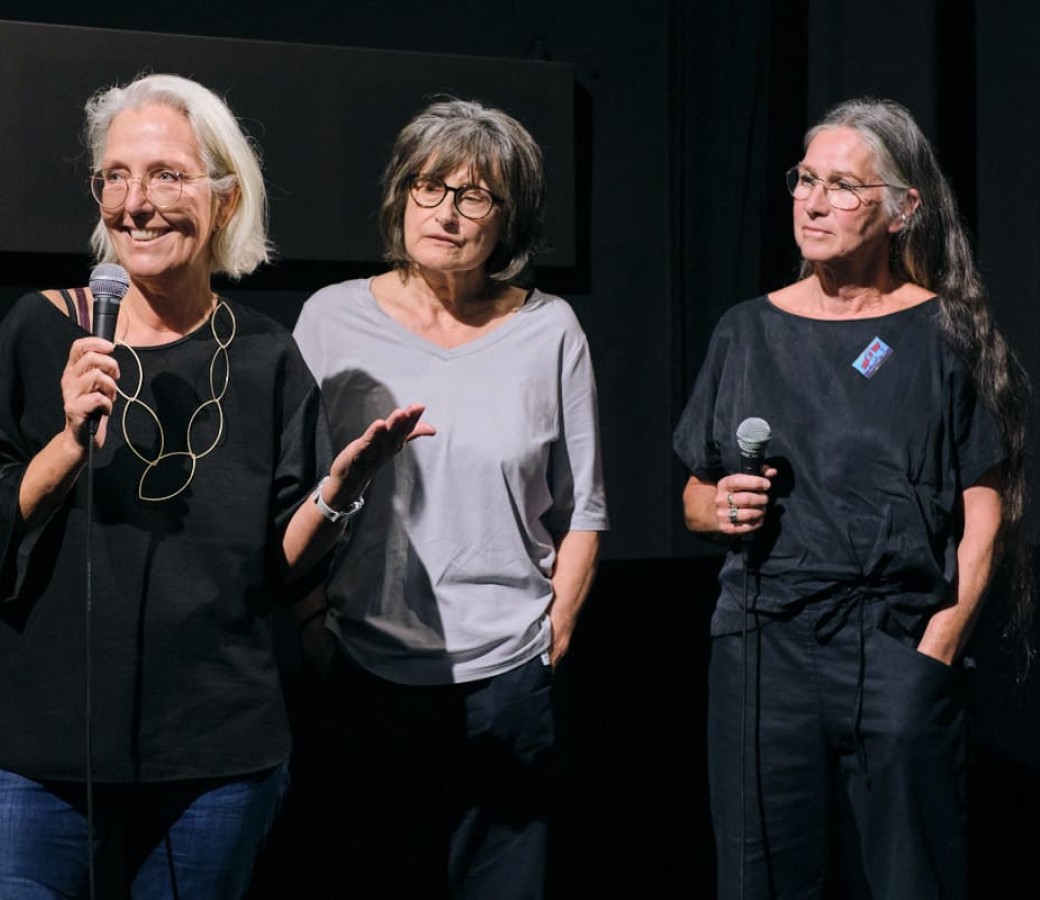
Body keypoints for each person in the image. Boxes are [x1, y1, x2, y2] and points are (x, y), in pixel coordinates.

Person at [0, 72, 432, 899]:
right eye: (115, 177)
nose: (136, 202)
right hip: (33, 755)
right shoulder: (41, 329)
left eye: (165, 175)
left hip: (211, 760)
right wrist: (68, 445)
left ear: (225, 201)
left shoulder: (265, 357)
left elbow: (281, 568)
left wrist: (338, 488)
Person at [672, 97, 1032, 898]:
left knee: (914, 881)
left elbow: (987, 502)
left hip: (898, 641)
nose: (814, 201)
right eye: (805, 179)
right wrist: (717, 508)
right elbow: (694, 493)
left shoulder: (947, 332)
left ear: (903, 208)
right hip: (765, 650)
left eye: (843, 185)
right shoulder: (746, 330)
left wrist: (938, 646)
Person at [288, 98, 609, 899]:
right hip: (366, 670)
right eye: (429, 186)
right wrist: (308, 620)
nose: (447, 211)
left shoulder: (551, 330)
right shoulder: (330, 319)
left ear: (512, 221)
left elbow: (585, 508)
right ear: (400, 196)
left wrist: (550, 636)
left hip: (507, 678)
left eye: (476, 195)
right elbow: (288, 488)